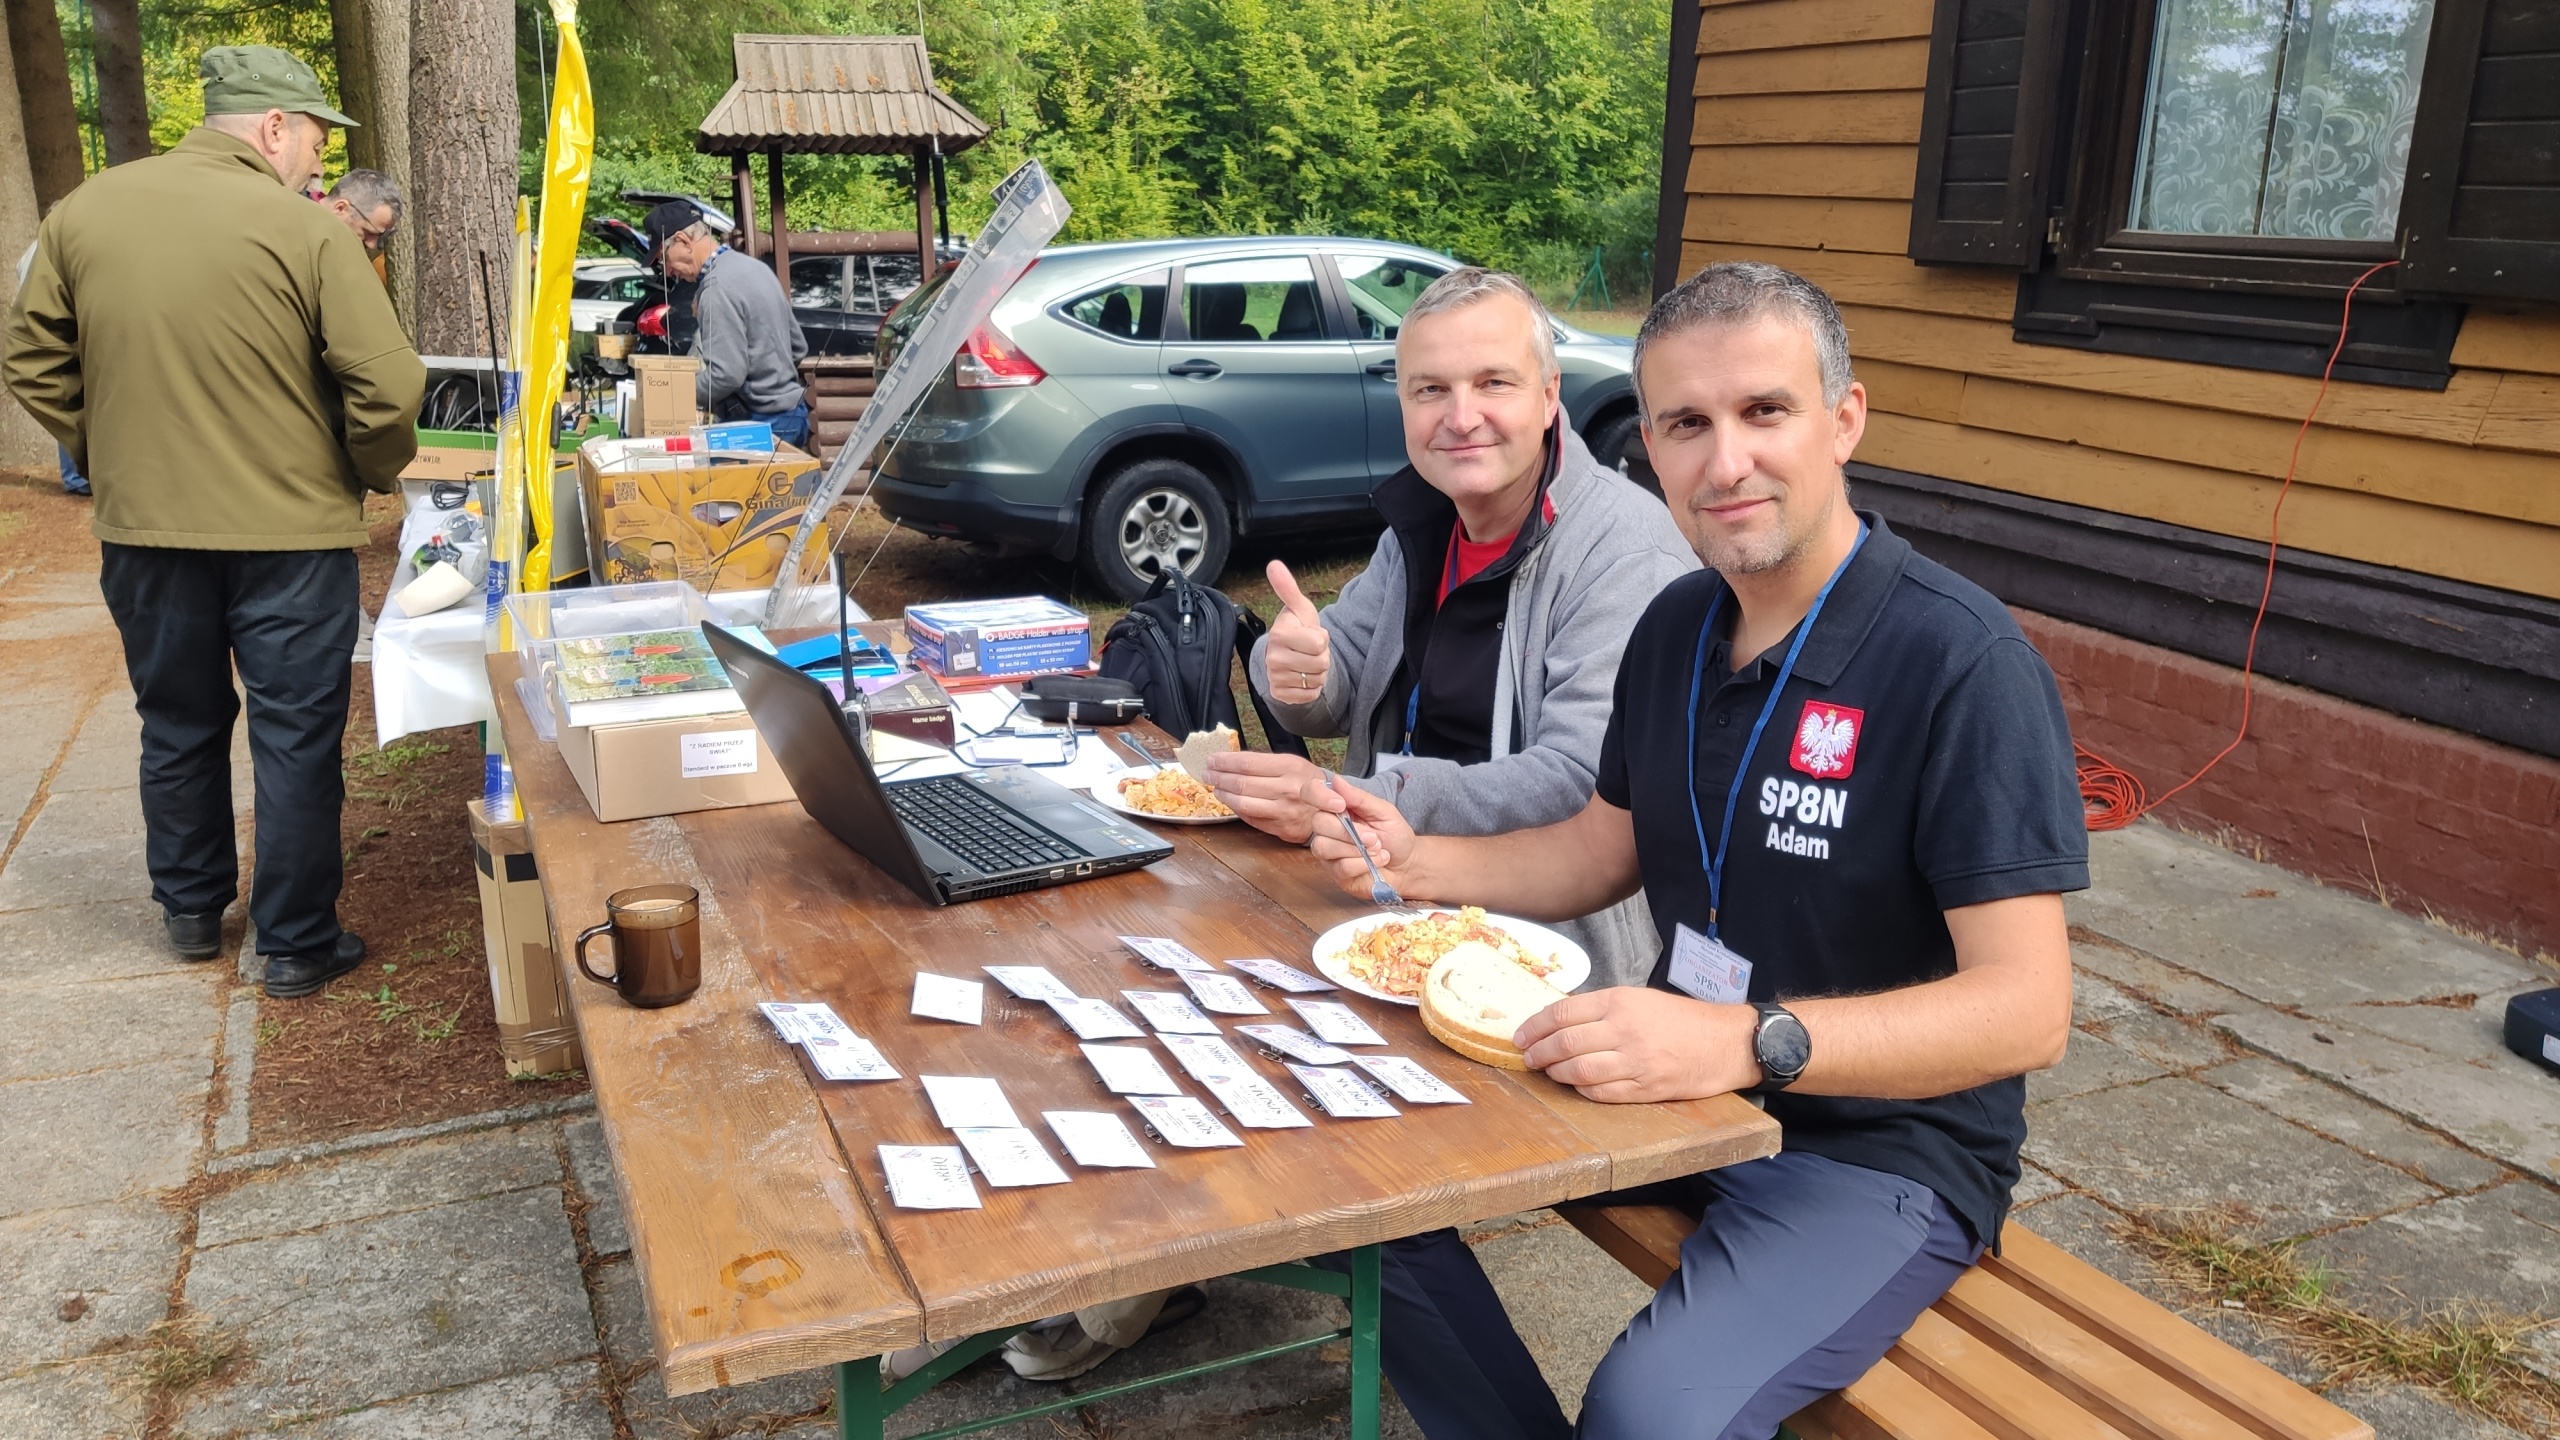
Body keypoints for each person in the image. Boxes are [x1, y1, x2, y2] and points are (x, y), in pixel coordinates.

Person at [1296, 262, 2085, 1440]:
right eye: (1685, 424)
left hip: (1877, 1150)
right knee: (1356, 1185)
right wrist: (1409, 866)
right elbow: (1598, 850)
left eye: (1764, 411)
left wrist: (1744, 1039)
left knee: (1649, 1413)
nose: (1725, 462)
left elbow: (2029, 1011)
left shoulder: (1961, 661)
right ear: (1648, 448)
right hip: (1678, 1085)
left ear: (1843, 420)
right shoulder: (1675, 623)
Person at [3, 46, 424, 997]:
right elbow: (389, 382)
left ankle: (190, 910)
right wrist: (364, 470)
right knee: (296, 733)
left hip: (146, 534)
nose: (318, 161)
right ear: (274, 126)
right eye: (315, 141)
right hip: (291, 538)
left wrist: (109, 448)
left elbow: (29, 358)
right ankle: (295, 942)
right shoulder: (307, 229)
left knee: (177, 719)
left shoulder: (85, 212)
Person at [1205, 268, 1696, 988]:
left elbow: (1579, 782)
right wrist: (1296, 674)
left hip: (1548, 958)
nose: (1461, 417)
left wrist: (1371, 795)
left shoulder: (1625, 553)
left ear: (1550, 395)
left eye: (1493, 383)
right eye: (1430, 389)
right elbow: (1333, 686)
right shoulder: (1423, 524)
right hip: (1386, 907)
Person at [644, 200, 810, 448]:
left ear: (683, 241)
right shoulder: (757, 268)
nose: (667, 271)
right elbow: (798, 347)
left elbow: (725, 375)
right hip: (793, 416)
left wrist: (673, 395)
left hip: (760, 425)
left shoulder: (716, 288)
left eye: (663, 259)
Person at [323, 168, 402, 276]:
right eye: (368, 232)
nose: (372, 245)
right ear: (340, 208)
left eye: (381, 236)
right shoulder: (299, 236)